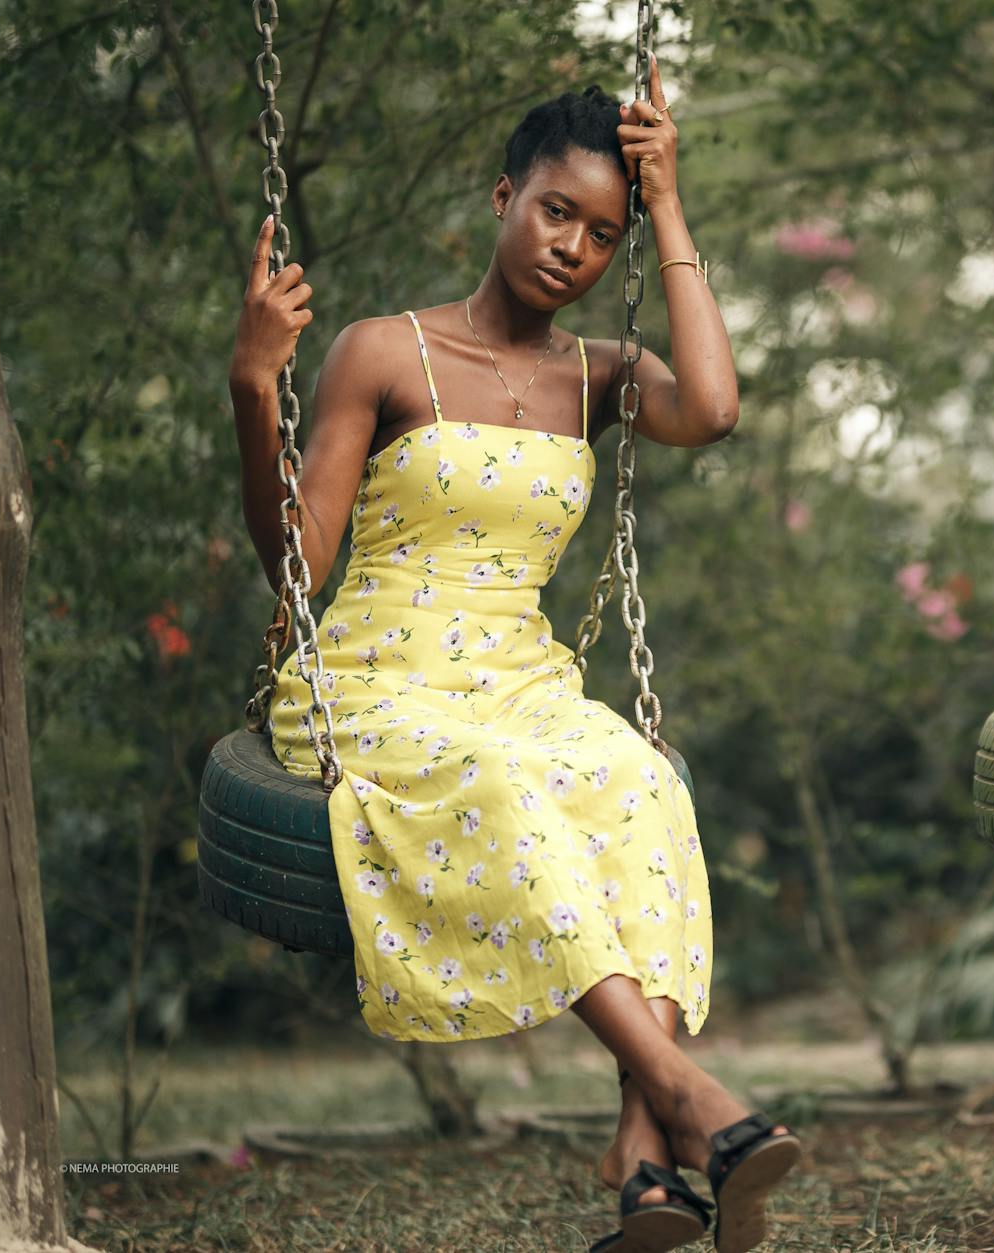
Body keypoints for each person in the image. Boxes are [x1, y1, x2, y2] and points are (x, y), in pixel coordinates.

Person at [227, 55, 798, 1253]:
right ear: (502, 199)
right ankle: (688, 1103)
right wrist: (252, 382)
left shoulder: (595, 375)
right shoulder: (385, 352)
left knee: (640, 782)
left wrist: (670, 202)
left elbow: (714, 407)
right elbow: (298, 560)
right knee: (501, 788)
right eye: (554, 212)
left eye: (601, 235)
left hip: (523, 681)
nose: (571, 250)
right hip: (378, 683)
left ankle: (645, 1166)